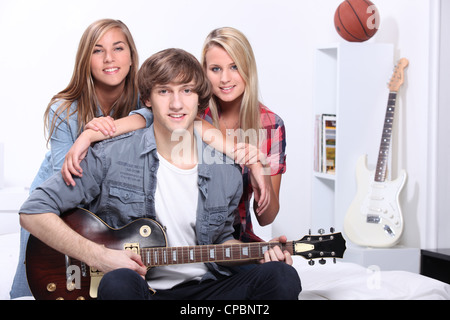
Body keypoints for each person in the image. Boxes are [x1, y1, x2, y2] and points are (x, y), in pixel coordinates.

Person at [19, 48, 301, 300]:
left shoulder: (225, 169)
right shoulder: (109, 155)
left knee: (282, 277)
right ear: (148, 99)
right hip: (140, 290)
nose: (177, 104)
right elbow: (32, 211)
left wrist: (259, 254)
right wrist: (101, 256)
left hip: (206, 288)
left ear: (199, 100)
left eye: (187, 91)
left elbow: (222, 242)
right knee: (118, 284)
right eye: (164, 91)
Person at [62, 27, 286, 244]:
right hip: (182, 240)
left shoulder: (270, 126)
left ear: (249, 69)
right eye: (215, 69)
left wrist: (260, 167)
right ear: (204, 73)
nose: (225, 78)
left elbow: (266, 218)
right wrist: (89, 135)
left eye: (235, 67)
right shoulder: (191, 110)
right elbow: (147, 117)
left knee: (279, 273)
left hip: (233, 241)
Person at [10, 19, 152, 299]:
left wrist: (91, 136)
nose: (109, 58)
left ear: (132, 56)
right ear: (86, 60)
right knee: (42, 282)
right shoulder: (64, 110)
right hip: (62, 209)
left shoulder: (144, 102)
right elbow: (72, 183)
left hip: (111, 217)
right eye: (98, 50)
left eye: (118, 48)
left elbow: (160, 117)